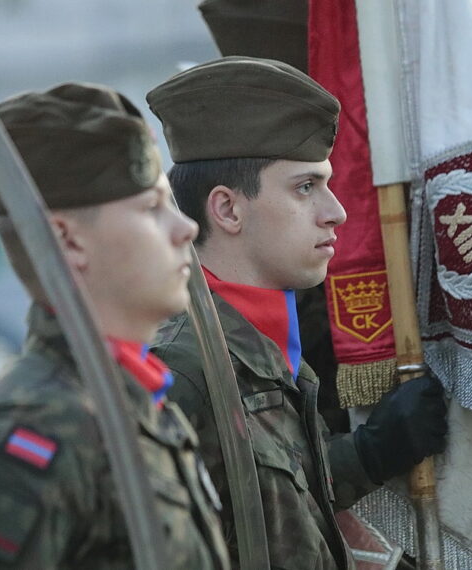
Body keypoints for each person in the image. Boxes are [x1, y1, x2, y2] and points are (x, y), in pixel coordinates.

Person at [0, 83, 229, 569]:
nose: (185, 228)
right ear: (68, 241)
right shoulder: (42, 427)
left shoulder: (131, 398)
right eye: (150, 208)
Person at [145, 56, 448, 569]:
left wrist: (368, 456)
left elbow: (272, 510)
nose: (336, 211)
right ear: (228, 210)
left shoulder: (260, 347)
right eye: (305, 187)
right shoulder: (182, 371)